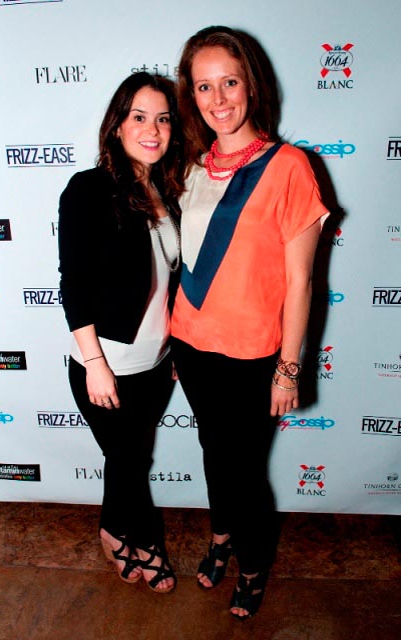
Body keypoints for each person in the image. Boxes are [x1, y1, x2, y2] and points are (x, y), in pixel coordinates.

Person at [171, 26, 329, 618]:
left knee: (245, 473)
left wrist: (288, 369)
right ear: (192, 95)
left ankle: (254, 564)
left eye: (229, 82)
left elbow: (301, 282)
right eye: (204, 86)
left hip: (254, 355)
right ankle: (221, 538)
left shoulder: (290, 166)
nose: (218, 99)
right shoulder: (190, 166)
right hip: (191, 344)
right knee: (214, 453)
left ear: (251, 86)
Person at [58, 71, 184, 594]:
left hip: (157, 363)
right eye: (139, 117)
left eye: (163, 119)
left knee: (129, 459)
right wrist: (95, 365)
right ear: (117, 125)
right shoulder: (88, 189)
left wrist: (176, 348)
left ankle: (112, 530)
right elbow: (74, 284)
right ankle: (144, 540)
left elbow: (171, 279)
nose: (152, 130)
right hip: (105, 363)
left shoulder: (166, 190)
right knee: (129, 460)